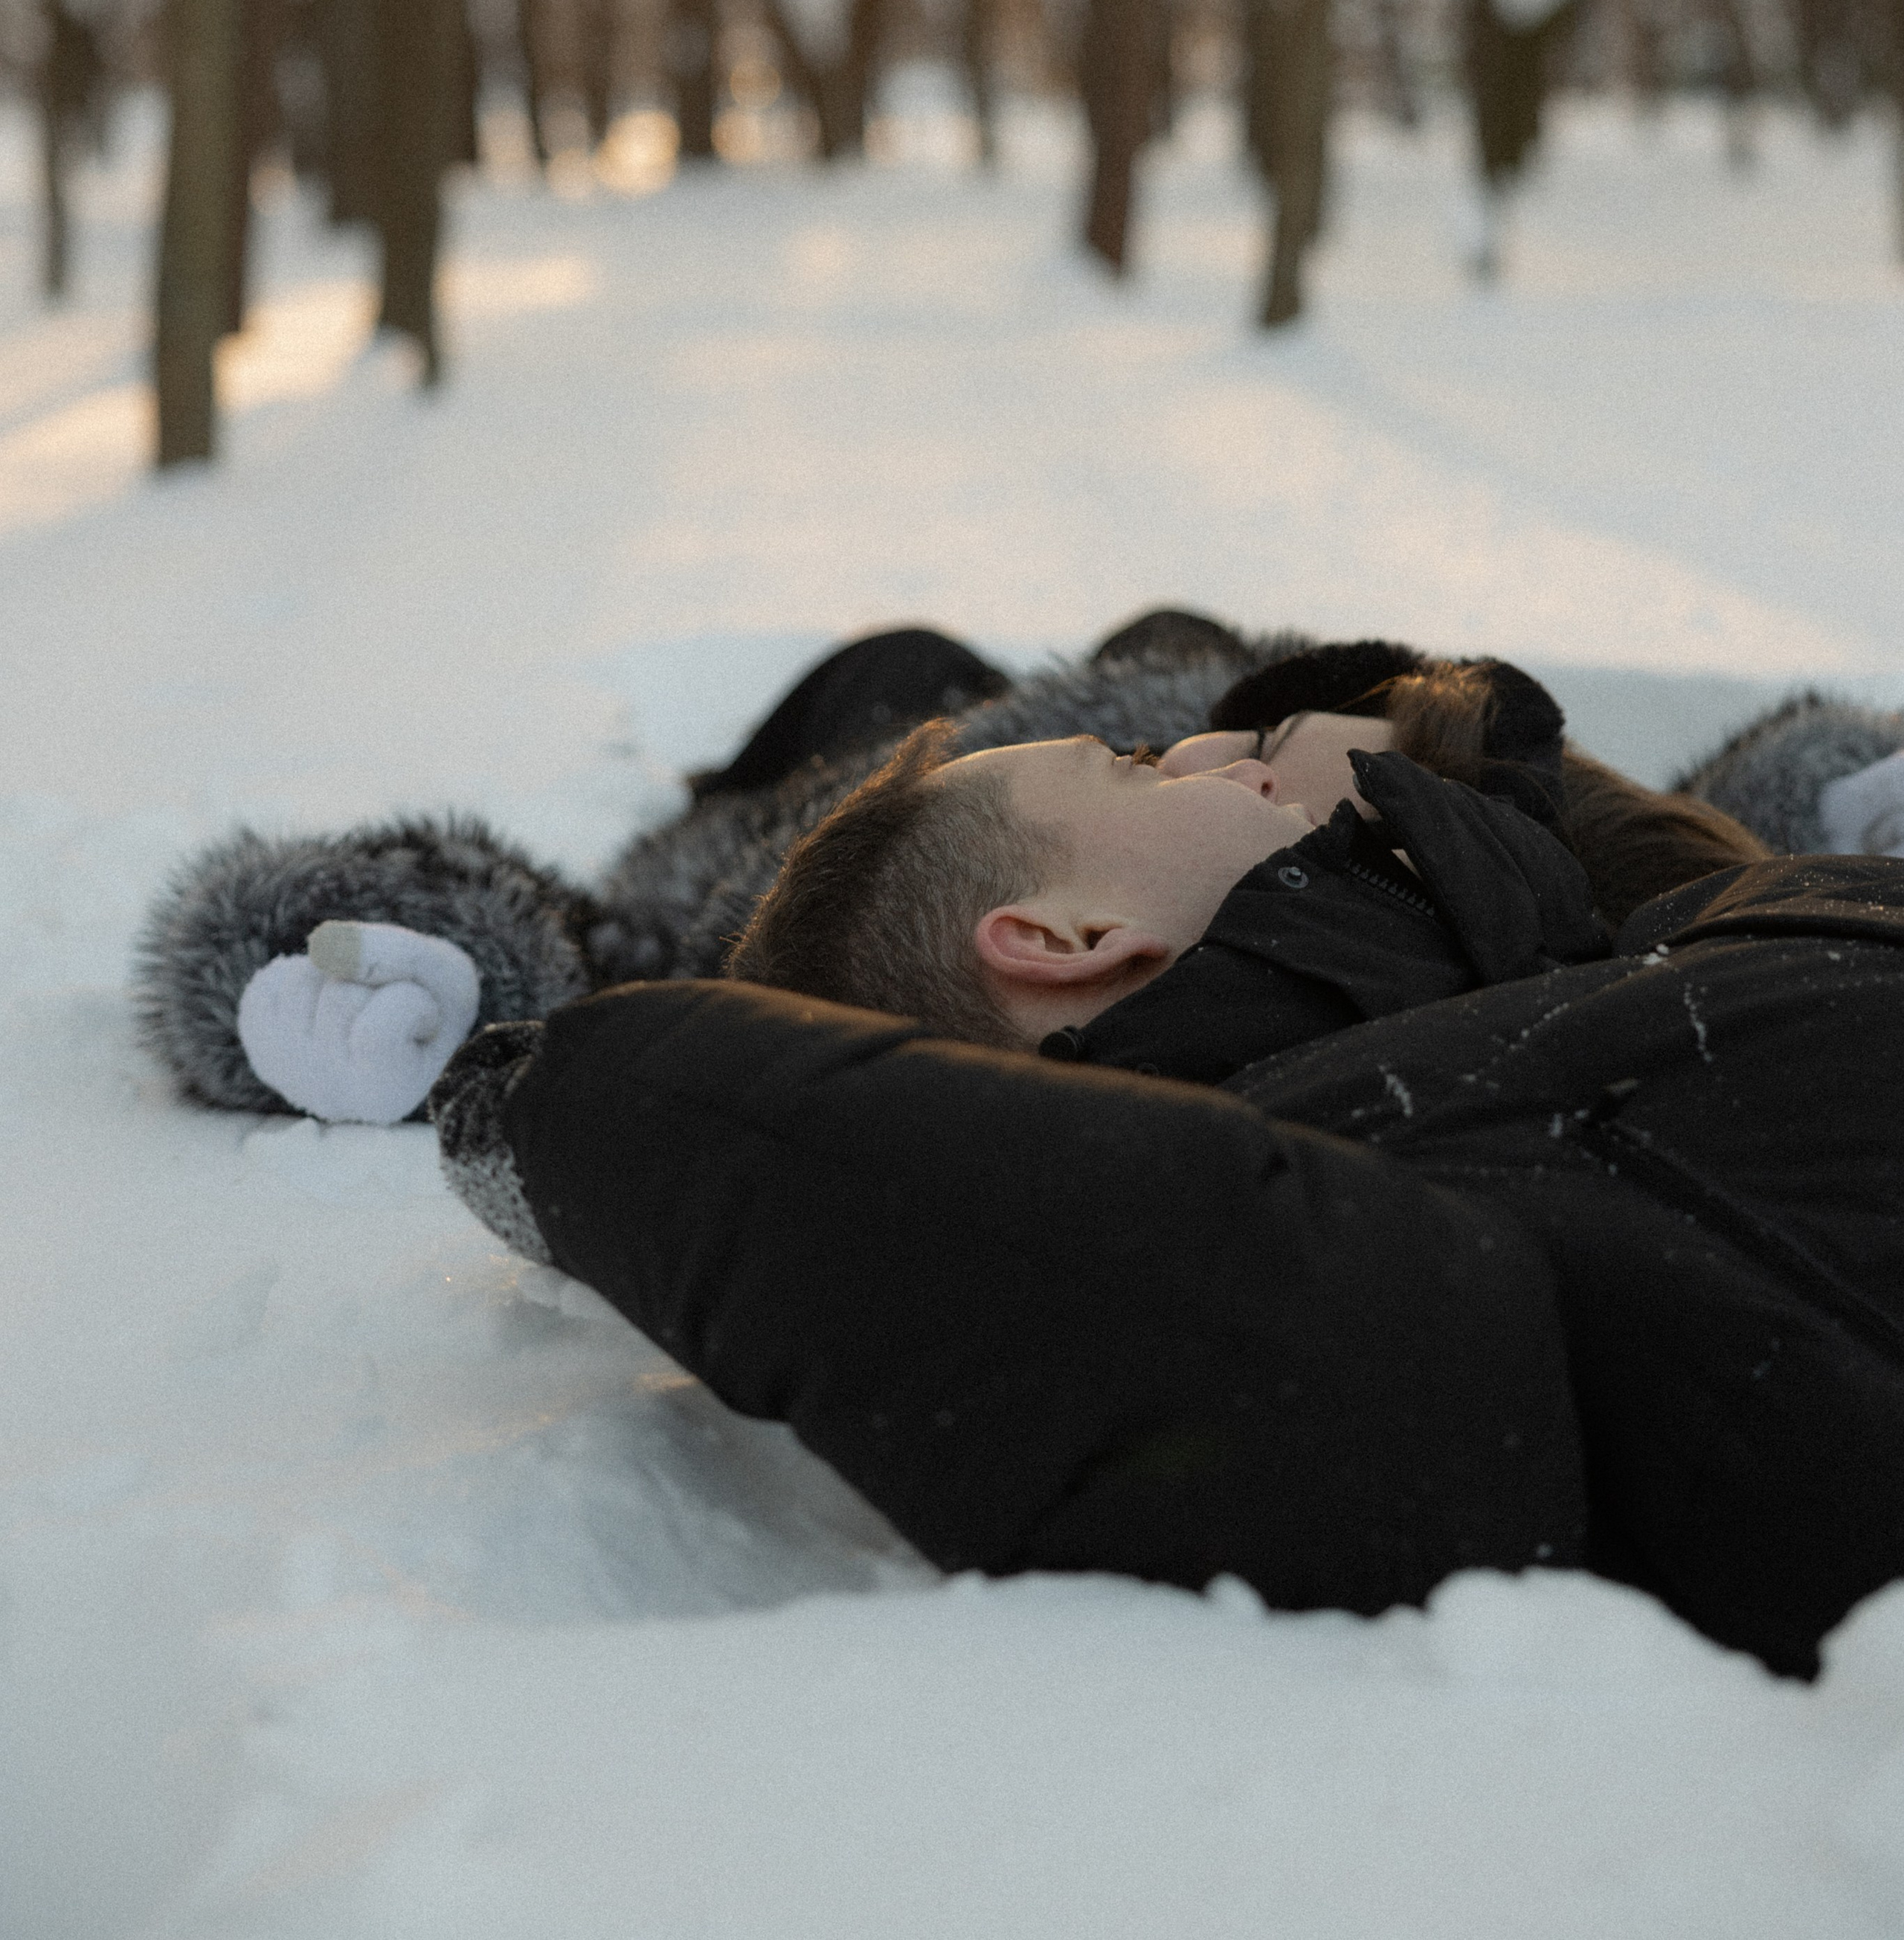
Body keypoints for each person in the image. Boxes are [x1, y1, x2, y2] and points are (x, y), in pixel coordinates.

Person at [431, 707, 1904, 1683]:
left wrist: (1444, 756)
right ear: (1062, 936)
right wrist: (556, 1098)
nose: (1207, 745)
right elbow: (1304, 1337)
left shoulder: (1635, 951)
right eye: (1137, 771)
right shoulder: (1342, 1173)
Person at [130, 615, 1903, 1122]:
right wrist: (416, 977)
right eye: (1156, 749)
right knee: (896, 653)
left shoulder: (1264, 784)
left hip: (1193, 735)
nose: (1203, 737)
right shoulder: (838, 879)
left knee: (1135, 646)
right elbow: (591, 951)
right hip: (971, 773)